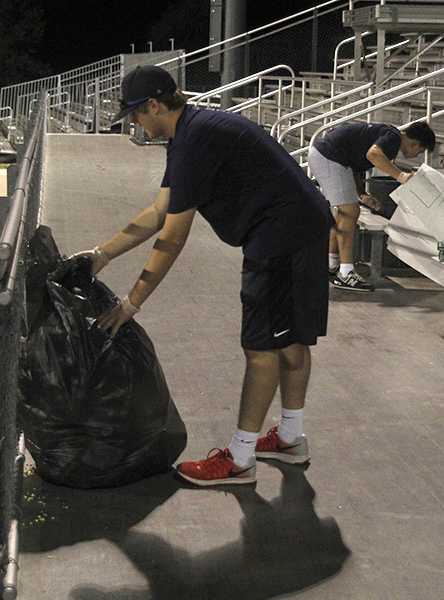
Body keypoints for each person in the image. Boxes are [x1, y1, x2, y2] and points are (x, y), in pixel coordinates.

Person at [72, 66, 334, 487]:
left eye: (136, 115)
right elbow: (158, 213)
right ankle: (288, 439)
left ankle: (241, 461)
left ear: (154, 105)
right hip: (297, 226)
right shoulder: (189, 135)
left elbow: (172, 239)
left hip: (284, 235)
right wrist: (102, 255)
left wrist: (131, 303)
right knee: (287, 341)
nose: (136, 125)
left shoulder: (195, 140)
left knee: (263, 347)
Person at [307, 121, 436, 291]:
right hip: (329, 157)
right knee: (350, 211)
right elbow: (373, 155)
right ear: (416, 143)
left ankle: (331, 264)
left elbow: (353, 165)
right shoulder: (393, 138)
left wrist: (362, 195)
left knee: (344, 212)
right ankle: (346, 273)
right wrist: (401, 176)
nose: (416, 154)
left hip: (329, 156)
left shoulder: (387, 135)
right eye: (419, 151)